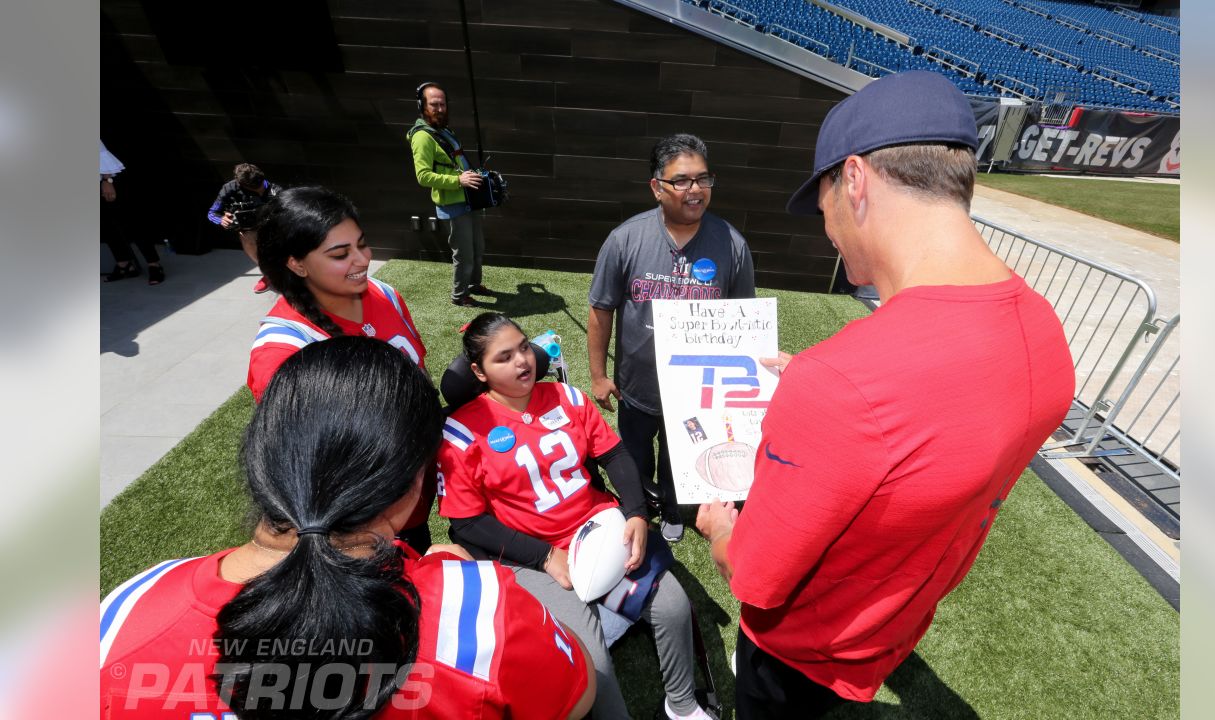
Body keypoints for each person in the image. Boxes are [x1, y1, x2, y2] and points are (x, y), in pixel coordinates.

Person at [693, 71, 1076, 718]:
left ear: (855, 181)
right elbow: (930, 421)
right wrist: (834, 399)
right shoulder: (1044, 329)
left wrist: (720, 528)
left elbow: (755, 577)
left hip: (799, 653)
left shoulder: (842, 382)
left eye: (825, 212)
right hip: (892, 627)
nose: (830, 235)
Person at [99, 336, 597, 719]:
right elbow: (574, 697)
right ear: (411, 487)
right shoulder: (477, 613)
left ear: (262, 457)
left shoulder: (126, 610)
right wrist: (451, 579)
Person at [437, 313, 713, 720]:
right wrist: (545, 556)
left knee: (671, 605)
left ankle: (683, 707)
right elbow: (467, 522)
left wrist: (636, 513)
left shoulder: (567, 397)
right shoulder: (461, 431)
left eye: (525, 347)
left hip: (597, 529)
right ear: (478, 371)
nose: (522, 362)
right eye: (505, 357)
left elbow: (614, 455)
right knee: (590, 661)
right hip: (532, 554)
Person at [588, 133, 755, 543]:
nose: (695, 190)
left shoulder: (731, 245)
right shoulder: (626, 239)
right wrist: (597, 373)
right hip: (636, 385)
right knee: (635, 456)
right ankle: (640, 509)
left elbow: (743, 321)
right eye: (682, 180)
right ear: (657, 187)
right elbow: (601, 307)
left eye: (703, 179)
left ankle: (673, 508)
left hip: (698, 392)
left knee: (683, 457)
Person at [246, 185, 427, 403]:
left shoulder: (383, 292)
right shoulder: (281, 354)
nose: (364, 259)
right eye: (341, 254)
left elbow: (421, 373)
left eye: (362, 244)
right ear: (297, 265)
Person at [407, 81, 493, 307]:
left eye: (442, 104)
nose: (439, 109)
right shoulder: (422, 137)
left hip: (468, 200)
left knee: (477, 248)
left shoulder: (443, 130)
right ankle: (459, 295)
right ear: (422, 106)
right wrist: (458, 180)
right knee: (463, 254)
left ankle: (473, 285)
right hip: (453, 205)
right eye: (434, 104)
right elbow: (423, 176)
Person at [207, 162, 279, 293]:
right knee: (246, 236)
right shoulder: (229, 189)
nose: (260, 190)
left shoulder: (275, 190)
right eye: (255, 189)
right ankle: (268, 274)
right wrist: (221, 219)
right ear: (241, 185)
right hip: (249, 230)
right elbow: (212, 213)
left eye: (261, 186)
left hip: (275, 228)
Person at [100, 140, 165, 285]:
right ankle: (124, 264)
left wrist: (107, 180)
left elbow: (99, 150)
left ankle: (154, 264)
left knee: (132, 220)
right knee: (105, 223)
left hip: (110, 177)